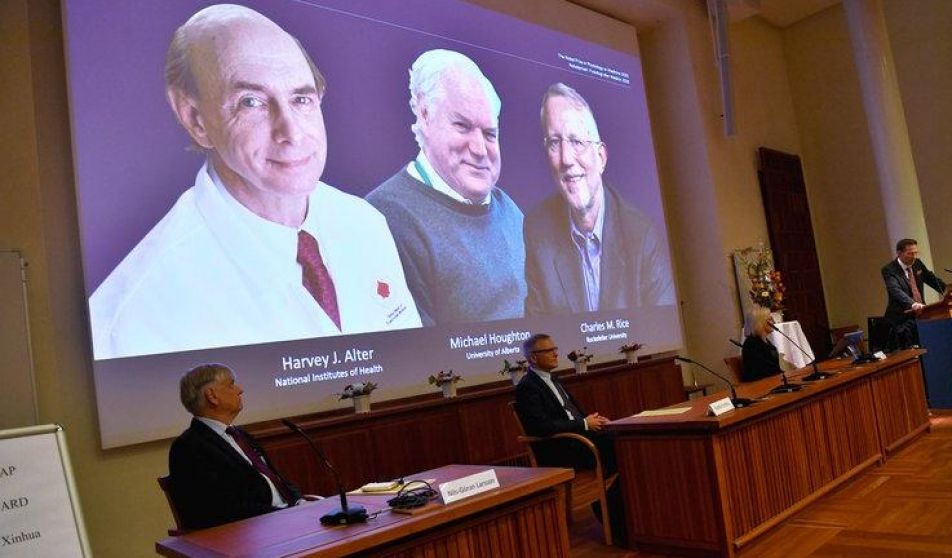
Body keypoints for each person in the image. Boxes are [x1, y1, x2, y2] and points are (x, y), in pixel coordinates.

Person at [88, 5, 420, 360]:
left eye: (301, 99)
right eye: (251, 102)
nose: (291, 132)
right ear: (196, 119)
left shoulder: (364, 222)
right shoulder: (136, 314)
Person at [366, 49, 525, 326]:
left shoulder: (508, 210)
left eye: (489, 134)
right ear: (425, 116)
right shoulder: (384, 217)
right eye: (462, 126)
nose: (479, 149)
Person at [524, 83, 674, 315]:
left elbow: (661, 324)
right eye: (554, 143)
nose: (566, 159)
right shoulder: (537, 230)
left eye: (577, 142)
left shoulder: (641, 234)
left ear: (601, 157)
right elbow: (538, 330)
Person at [513, 333, 625, 542]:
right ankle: (608, 510)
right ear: (533, 358)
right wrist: (583, 424)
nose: (556, 353)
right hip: (560, 447)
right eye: (549, 350)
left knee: (623, 440)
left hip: (578, 438)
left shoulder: (554, 379)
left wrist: (593, 420)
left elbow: (572, 413)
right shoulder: (527, 387)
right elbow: (541, 427)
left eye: (555, 348)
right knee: (621, 450)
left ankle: (616, 507)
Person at [169, 363, 302, 530]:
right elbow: (222, 509)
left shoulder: (240, 435)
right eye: (231, 384)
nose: (240, 390)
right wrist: (282, 515)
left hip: (286, 517)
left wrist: (299, 501)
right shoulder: (189, 447)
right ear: (212, 395)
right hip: (254, 531)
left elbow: (276, 479)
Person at [882, 238, 945, 350]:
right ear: (899, 253)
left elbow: (932, 280)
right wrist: (913, 304)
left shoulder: (917, 264)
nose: (914, 256)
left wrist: (948, 290)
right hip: (902, 320)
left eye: (916, 253)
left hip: (921, 316)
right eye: (910, 253)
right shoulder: (889, 270)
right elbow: (895, 291)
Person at [741, 306, 783, 382]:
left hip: (772, 380)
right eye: (770, 319)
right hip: (760, 385)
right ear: (760, 322)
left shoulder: (765, 341)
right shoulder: (752, 343)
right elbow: (763, 370)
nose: (774, 322)